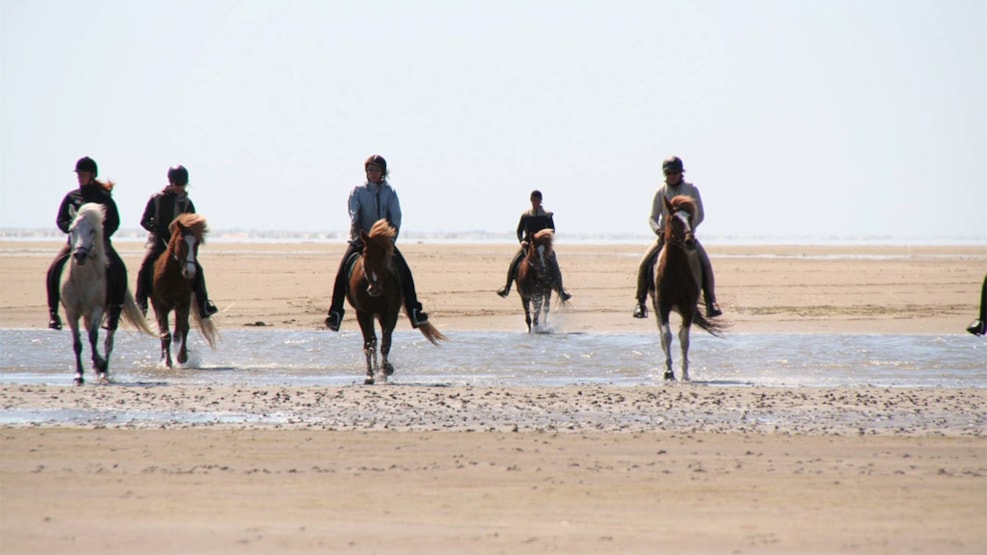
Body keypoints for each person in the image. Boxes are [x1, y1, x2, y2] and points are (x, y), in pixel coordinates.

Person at [325, 155, 429, 331]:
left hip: (383, 243)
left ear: (382, 173)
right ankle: (335, 313)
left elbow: (395, 217)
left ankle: (414, 311)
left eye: (376, 170)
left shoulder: (390, 193)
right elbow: (354, 215)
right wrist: (359, 235)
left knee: (405, 271)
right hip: (361, 240)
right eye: (370, 170)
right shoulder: (357, 191)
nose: (372, 173)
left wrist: (389, 241)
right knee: (342, 272)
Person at [633, 155, 721, 319]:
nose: (672, 176)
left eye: (675, 172)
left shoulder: (691, 189)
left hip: (686, 236)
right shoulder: (660, 192)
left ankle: (711, 302)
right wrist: (659, 231)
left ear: (681, 173)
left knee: (705, 263)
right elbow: (652, 217)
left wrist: (688, 230)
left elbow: (700, 214)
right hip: (666, 236)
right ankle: (640, 302)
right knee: (643, 264)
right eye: (668, 173)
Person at [45, 156, 128, 330]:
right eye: (79, 173)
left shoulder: (102, 198)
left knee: (118, 268)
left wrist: (101, 236)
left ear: (92, 174)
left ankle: (114, 312)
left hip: (99, 243)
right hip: (75, 243)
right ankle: (53, 313)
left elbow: (114, 221)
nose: (80, 176)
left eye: (83, 173)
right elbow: (61, 220)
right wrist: (72, 228)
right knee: (54, 269)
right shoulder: (72, 197)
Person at [134, 165, 218, 318]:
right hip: (158, 241)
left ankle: (204, 304)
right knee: (145, 266)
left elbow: (193, 224)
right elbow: (144, 221)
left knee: (197, 269)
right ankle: (140, 302)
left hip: (179, 243)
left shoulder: (187, 203)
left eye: (183, 184)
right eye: (177, 184)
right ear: (170, 182)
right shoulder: (156, 198)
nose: (180, 187)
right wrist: (157, 229)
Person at [496, 190, 572, 301]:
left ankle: (561, 291)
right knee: (515, 261)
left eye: (538, 200)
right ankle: (507, 288)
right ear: (531, 200)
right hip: (528, 245)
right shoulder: (526, 215)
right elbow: (519, 231)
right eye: (534, 199)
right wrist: (521, 241)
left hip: (543, 247)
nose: (535, 202)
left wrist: (544, 239)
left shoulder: (547, 215)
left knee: (553, 261)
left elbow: (552, 230)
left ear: (541, 201)